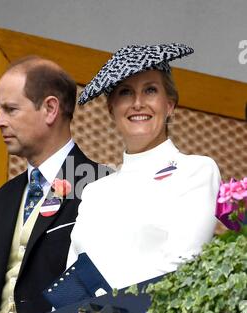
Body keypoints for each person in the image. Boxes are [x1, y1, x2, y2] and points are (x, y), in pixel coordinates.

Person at [67, 43, 221, 290]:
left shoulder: (197, 171)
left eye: (150, 90)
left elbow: (181, 265)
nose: (138, 103)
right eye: (126, 92)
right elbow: (73, 282)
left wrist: (107, 307)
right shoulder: (94, 192)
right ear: (111, 110)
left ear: (169, 105)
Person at [0, 56, 110, 313]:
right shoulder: (1, 199)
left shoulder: (101, 185)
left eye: (10, 109)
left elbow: (101, 283)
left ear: (50, 109)